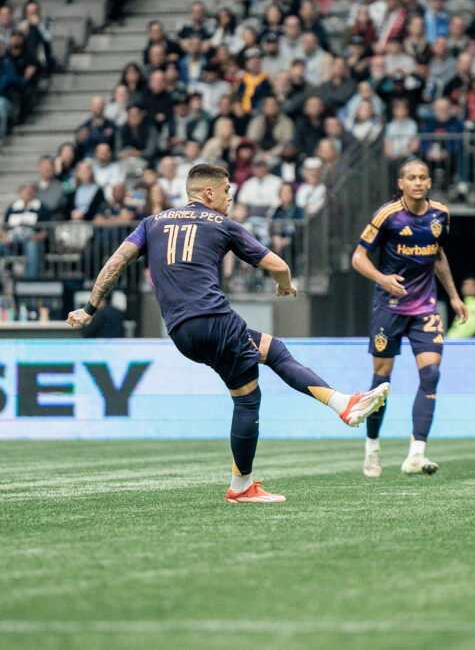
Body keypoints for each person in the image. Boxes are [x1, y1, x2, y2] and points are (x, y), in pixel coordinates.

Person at [65, 164, 390, 503]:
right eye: (226, 191)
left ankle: (253, 477)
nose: (230, 197)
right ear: (208, 194)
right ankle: (337, 410)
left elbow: (115, 263)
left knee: (263, 365)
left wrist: (88, 310)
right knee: (259, 379)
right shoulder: (223, 225)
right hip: (214, 319)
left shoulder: (151, 222)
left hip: (179, 331)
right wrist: (284, 286)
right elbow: (279, 265)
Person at [351, 159, 468, 478]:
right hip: (389, 308)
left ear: (429, 183)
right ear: (401, 184)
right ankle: (372, 447)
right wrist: (382, 278)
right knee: (382, 383)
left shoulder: (440, 214)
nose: (417, 182)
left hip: (425, 309)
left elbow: (438, 255)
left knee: (430, 375)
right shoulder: (387, 215)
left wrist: (454, 296)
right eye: (411, 178)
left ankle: (416, 453)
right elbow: (358, 256)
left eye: (423, 177)